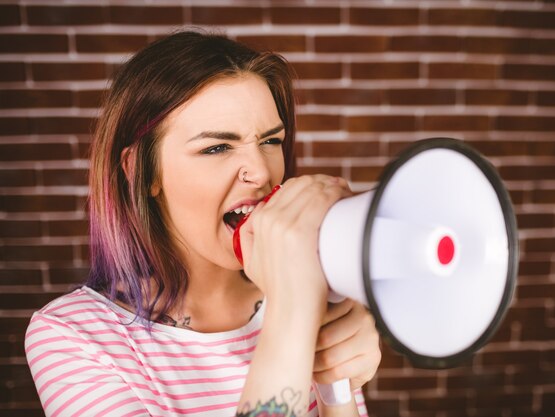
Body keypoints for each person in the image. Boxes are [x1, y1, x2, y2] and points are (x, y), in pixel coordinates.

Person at [24, 30, 381, 417]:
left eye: (270, 141)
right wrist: (295, 311)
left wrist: (336, 385)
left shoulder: (310, 292)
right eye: (216, 147)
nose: (261, 172)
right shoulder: (71, 336)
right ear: (142, 173)